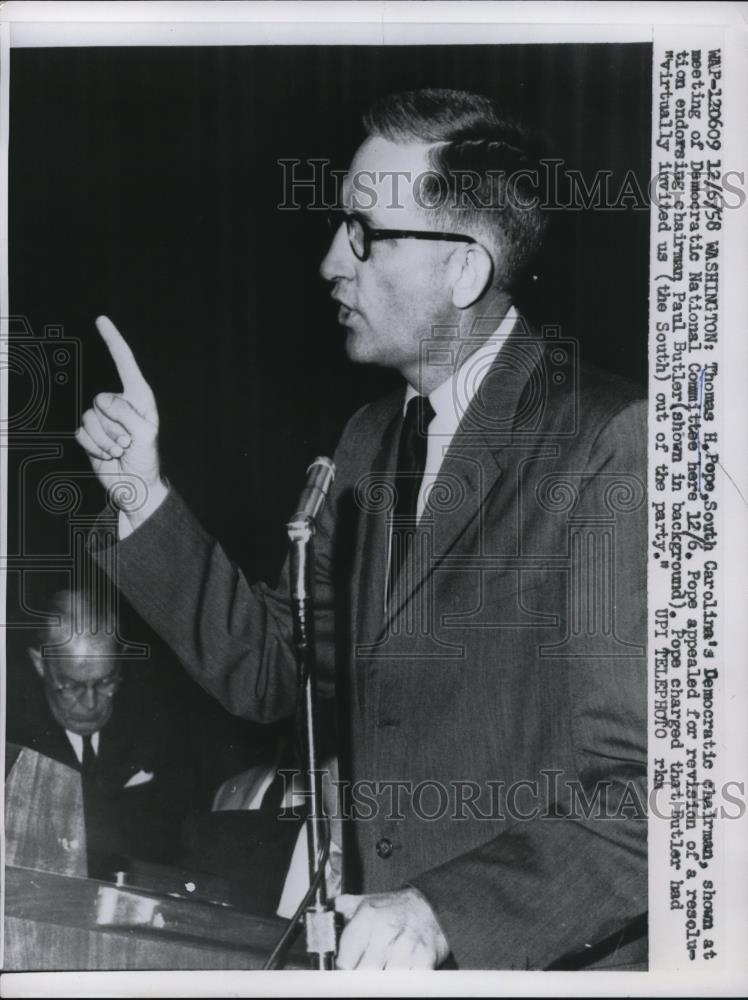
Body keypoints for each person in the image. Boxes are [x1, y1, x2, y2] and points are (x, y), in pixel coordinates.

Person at [76, 89, 647, 969]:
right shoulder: (369, 439)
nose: (330, 263)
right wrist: (143, 495)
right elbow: (278, 671)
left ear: (463, 272)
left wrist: (442, 912)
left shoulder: (611, 441)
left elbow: (653, 796)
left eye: (363, 231)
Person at [8, 587, 196, 877]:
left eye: (106, 681)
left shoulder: (159, 716)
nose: (92, 703)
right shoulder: (10, 728)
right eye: (71, 686)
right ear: (39, 663)